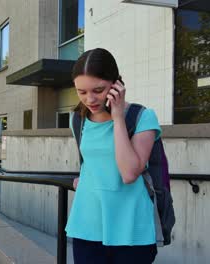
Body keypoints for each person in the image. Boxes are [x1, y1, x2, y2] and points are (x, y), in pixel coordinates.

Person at [66, 48, 160, 264]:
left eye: (98, 90)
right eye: (81, 92)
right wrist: (86, 177)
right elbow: (89, 161)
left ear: (116, 84)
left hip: (131, 229)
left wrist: (117, 118)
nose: (89, 99)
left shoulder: (142, 117)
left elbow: (129, 173)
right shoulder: (77, 120)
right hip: (87, 225)